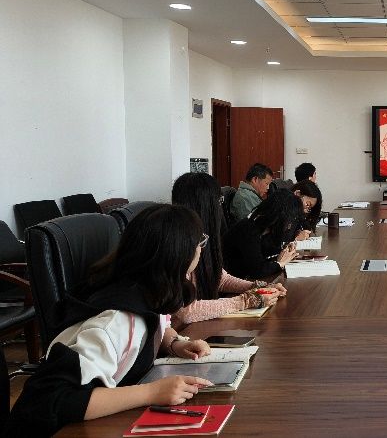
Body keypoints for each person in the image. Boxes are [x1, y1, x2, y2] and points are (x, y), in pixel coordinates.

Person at [6, 205, 214, 436]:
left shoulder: (145, 289)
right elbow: (53, 400)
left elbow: (158, 325)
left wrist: (175, 343)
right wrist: (152, 393)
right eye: (199, 242)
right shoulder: (117, 322)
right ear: (178, 256)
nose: (200, 248)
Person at [171, 173, 286, 326]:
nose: (220, 208)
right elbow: (186, 311)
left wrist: (258, 287)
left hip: (198, 325)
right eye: (219, 201)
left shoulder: (204, 237)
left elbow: (220, 278)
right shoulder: (176, 244)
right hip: (180, 330)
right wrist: (245, 301)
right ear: (207, 206)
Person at [222, 189, 303, 280]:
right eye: (289, 220)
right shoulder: (248, 230)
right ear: (278, 216)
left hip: (247, 276)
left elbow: (267, 253)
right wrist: (280, 263)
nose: (289, 226)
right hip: (235, 280)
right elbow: (258, 271)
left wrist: (285, 251)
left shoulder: (265, 227)